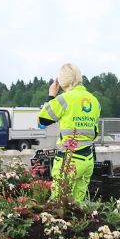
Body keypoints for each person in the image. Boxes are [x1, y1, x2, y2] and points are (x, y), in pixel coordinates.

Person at [37, 63, 100, 202]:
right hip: (88, 160)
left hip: (68, 160)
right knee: (77, 205)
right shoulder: (94, 101)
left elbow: (43, 119)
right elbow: (95, 133)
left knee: (58, 202)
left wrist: (51, 95)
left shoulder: (64, 99)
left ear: (61, 81)